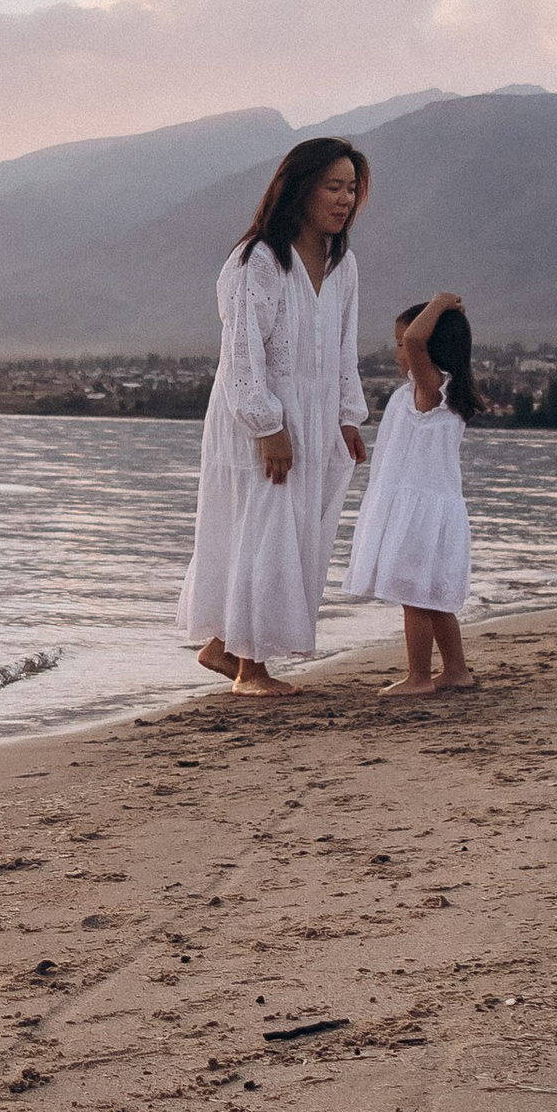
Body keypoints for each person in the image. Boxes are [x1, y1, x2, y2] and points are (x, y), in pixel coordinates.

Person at [176, 138, 371, 696]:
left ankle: (224, 649)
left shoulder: (343, 263)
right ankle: (250, 670)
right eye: (333, 186)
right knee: (261, 526)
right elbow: (242, 352)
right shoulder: (257, 259)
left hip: (314, 418)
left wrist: (347, 417)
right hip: (257, 414)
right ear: (300, 188)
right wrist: (268, 425)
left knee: (296, 529)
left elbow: (343, 346)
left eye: (352, 188)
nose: (344, 199)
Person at [347, 291, 479, 694]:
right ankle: (456, 670)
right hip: (435, 506)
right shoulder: (439, 391)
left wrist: (437, 304)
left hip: (420, 509)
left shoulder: (431, 387)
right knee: (434, 596)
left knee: (415, 597)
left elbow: (417, 341)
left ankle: (419, 677)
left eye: (400, 342)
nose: (398, 350)